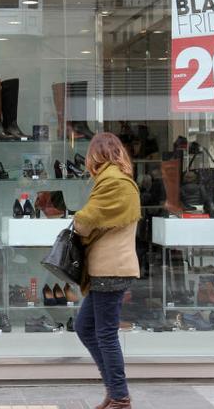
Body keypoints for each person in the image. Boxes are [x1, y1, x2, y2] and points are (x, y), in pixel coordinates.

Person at [73, 132, 141, 409]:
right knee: (85, 327)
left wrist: (77, 220)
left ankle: (120, 396)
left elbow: (86, 221)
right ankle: (115, 390)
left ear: (97, 155)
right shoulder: (117, 180)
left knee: (105, 333)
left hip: (110, 267)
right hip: (109, 267)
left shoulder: (113, 182)